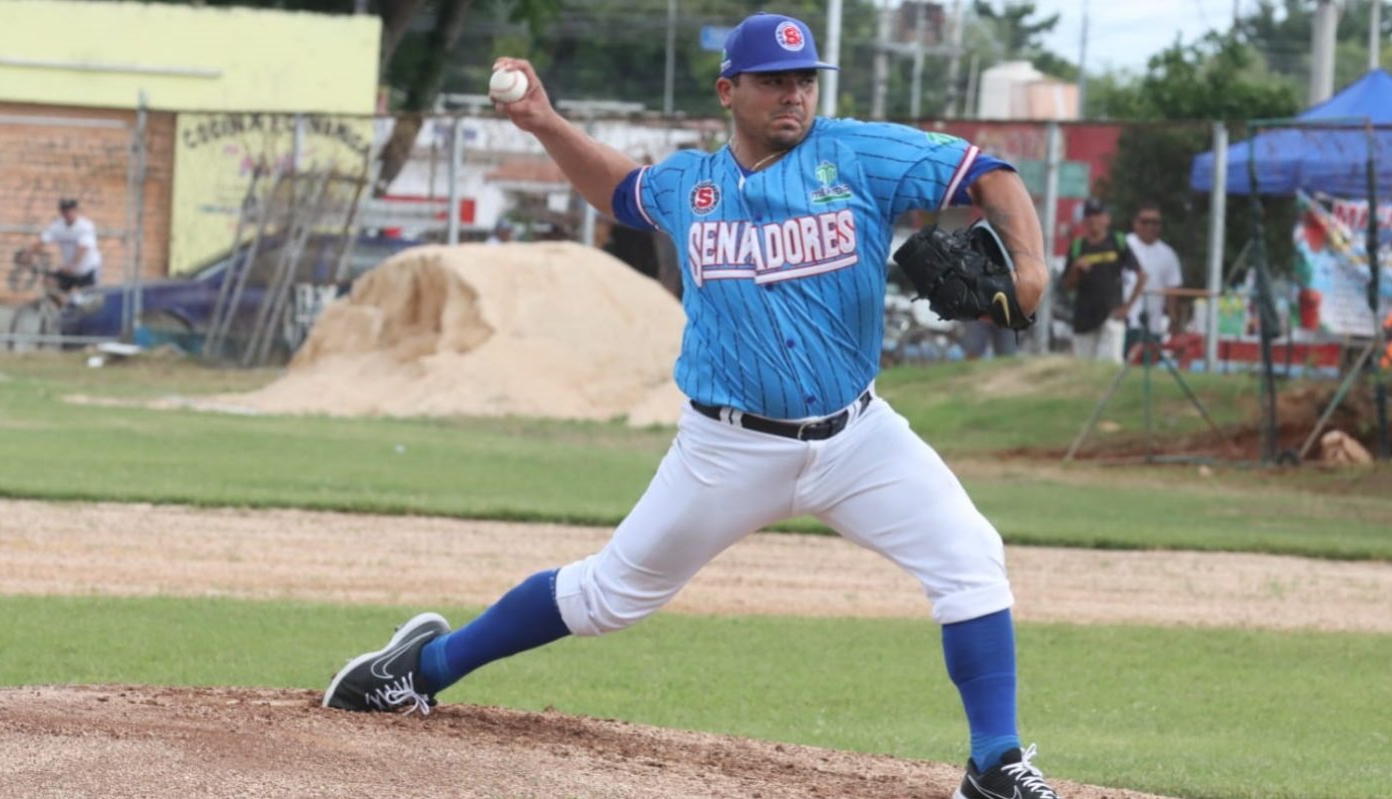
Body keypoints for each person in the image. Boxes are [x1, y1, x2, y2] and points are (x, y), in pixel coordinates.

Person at [321, 13, 1060, 799]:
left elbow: (990, 173)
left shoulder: (857, 153)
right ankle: (419, 669)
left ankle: (995, 764)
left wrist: (1032, 269)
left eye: (804, 78)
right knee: (606, 596)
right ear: (728, 90)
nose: (794, 94)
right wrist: (541, 120)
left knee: (970, 559)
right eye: (774, 80)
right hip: (728, 449)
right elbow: (618, 187)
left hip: (859, 438)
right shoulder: (689, 184)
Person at [1061, 197, 1143, 363]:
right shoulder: (1078, 247)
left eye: (1098, 214)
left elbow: (1141, 275)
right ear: (1084, 220)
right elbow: (1067, 286)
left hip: (1111, 316)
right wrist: (1076, 269)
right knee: (1083, 368)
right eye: (1089, 215)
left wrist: (1127, 307)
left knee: (1111, 366)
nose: (1094, 219)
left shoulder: (1118, 242)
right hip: (1084, 318)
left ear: (1107, 218)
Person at [1122, 201, 1182, 356]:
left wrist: (1173, 321)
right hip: (1124, 322)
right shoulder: (1123, 245)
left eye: (1155, 222)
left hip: (1154, 324)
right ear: (1135, 224)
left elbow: (1172, 291)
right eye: (1145, 222)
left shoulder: (1168, 254)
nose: (1150, 226)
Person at [28, 198, 102, 299]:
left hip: (87, 270)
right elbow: (42, 240)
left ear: (76, 211)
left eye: (71, 210)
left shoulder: (85, 226)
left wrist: (71, 265)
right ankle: (60, 311)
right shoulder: (57, 226)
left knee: (87, 303)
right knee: (49, 282)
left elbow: (83, 249)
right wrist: (28, 254)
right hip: (69, 269)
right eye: (65, 211)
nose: (68, 213)